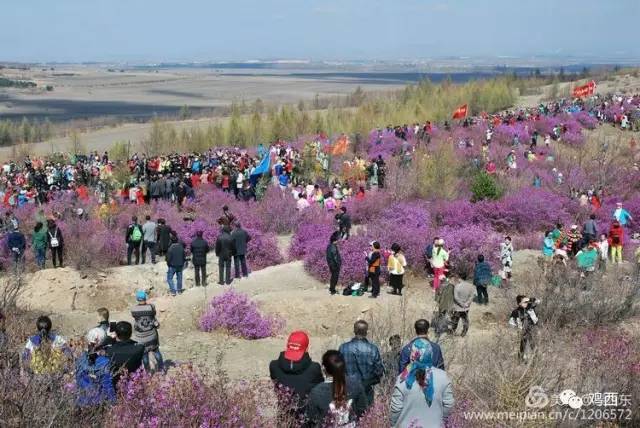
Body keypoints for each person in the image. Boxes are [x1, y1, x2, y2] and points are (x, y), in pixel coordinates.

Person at [390, 338, 454, 428]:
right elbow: (448, 404)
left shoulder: (402, 379)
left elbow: (395, 409)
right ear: (430, 354)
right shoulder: (443, 377)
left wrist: (393, 425)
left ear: (412, 355)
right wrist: (441, 420)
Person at [269, 331, 324, 419]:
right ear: (306, 349)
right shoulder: (314, 368)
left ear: (287, 346)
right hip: (305, 418)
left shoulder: (273, 366)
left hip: (283, 418)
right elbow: (320, 388)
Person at [306, 350, 368, 428]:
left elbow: (311, 420)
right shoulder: (356, 385)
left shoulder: (316, 392)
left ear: (323, 368)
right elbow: (364, 412)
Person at [338, 320, 384, 405]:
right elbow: (379, 372)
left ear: (354, 331)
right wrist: (367, 383)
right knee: (366, 416)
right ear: (366, 332)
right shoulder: (372, 349)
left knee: (348, 416)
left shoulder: (343, 348)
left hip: (348, 391)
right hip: (366, 391)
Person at [75, 328, 116, 406]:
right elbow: (107, 384)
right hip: (98, 402)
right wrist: (113, 402)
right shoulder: (104, 362)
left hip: (81, 400)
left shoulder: (81, 358)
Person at [131, 291, 164, 372]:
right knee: (156, 352)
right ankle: (161, 369)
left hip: (140, 337)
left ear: (137, 299)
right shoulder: (151, 307)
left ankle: (148, 371)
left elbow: (135, 317)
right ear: (145, 298)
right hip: (152, 335)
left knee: (144, 355)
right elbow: (153, 315)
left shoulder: (133, 309)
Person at [105, 321, 145, 387]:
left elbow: (96, 350)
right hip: (133, 384)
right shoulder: (139, 349)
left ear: (116, 334)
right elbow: (136, 344)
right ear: (131, 334)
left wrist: (108, 338)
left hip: (114, 384)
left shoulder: (109, 350)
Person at [509, 296, 540, 361]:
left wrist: (532, 299)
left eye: (528, 302)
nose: (527, 303)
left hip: (532, 330)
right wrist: (517, 330)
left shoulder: (530, 309)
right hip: (523, 332)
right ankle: (520, 360)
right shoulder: (516, 312)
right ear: (519, 303)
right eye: (525, 302)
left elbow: (538, 301)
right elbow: (511, 323)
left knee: (534, 346)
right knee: (522, 346)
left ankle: (536, 360)